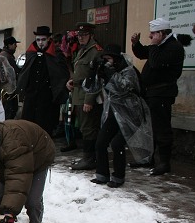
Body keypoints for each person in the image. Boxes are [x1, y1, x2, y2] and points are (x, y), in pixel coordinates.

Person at [89, 44, 153, 188]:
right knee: (100, 142)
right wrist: (93, 72)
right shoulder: (106, 71)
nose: (106, 62)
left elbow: (124, 88)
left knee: (117, 144)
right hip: (114, 113)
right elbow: (91, 88)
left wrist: (111, 73)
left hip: (131, 114)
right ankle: (102, 175)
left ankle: (118, 177)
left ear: (116, 59)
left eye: (109, 59)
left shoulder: (128, 71)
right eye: (104, 59)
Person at [131, 17, 185, 176]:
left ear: (162, 33)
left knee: (162, 129)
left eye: (153, 33)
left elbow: (155, 62)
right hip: (152, 93)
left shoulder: (173, 47)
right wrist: (136, 44)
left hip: (162, 94)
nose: (150, 36)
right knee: (150, 129)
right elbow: (143, 54)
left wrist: (154, 46)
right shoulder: (160, 45)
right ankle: (149, 158)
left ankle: (164, 163)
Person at [17, 25, 70, 135]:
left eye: (43, 40)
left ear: (49, 39)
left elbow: (62, 75)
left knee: (45, 128)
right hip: (31, 97)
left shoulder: (56, 55)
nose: (40, 42)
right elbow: (24, 73)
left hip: (47, 98)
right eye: (38, 40)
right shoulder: (30, 53)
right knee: (28, 127)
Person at [66, 22, 104, 169]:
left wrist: (89, 100)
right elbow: (81, 74)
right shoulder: (83, 50)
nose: (80, 38)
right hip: (78, 93)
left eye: (84, 35)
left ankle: (90, 159)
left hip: (87, 96)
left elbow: (96, 78)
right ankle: (88, 157)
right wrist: (72, 82)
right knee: (84, 127)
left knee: (89, 128)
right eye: (79, 35)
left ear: (91, 36)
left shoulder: (96, 51)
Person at [0, 36, 22, 119]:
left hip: (6, 90)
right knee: (11, 111)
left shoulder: (3, 54)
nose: (16, 46)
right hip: (9, 91)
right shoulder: (7, 57)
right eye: (14, 44)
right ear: (9, 45)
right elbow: (14, 72)